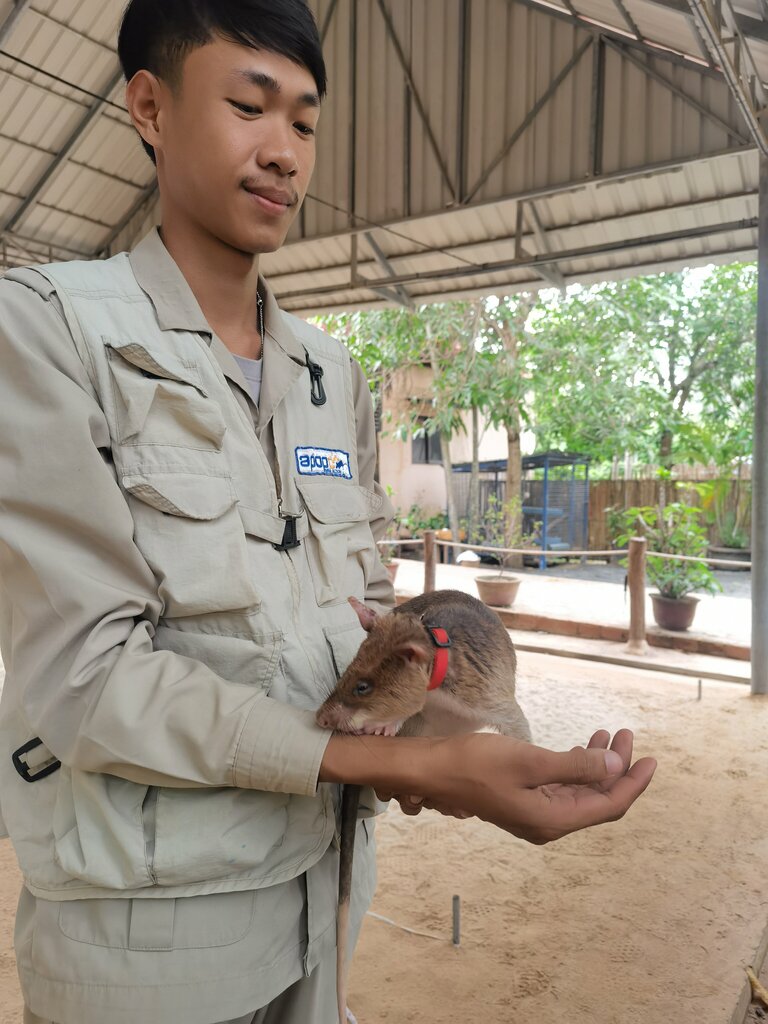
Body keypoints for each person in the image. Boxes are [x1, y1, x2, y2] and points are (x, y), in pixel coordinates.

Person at [0, 2, 657, 1022]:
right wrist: (375, 753)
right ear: (150, 107)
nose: (283, 153)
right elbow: (85, 679)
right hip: (148, 958)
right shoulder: (47, 331)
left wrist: (464, 738)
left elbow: (367, 616)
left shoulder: (328, 371)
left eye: (304, 124)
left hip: (324, 913)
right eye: (247, 106)